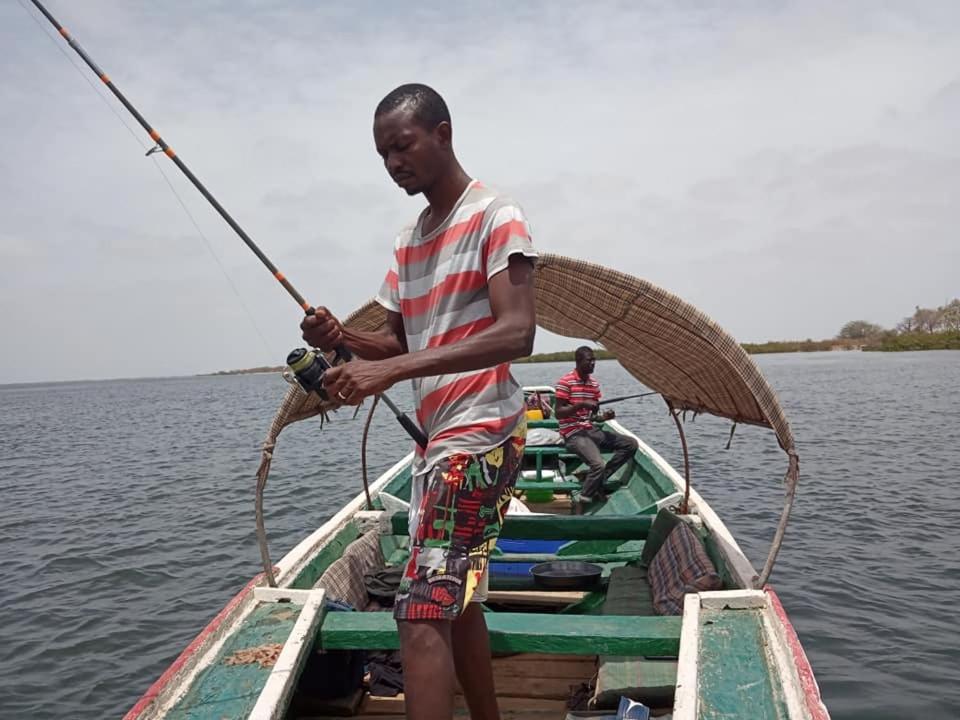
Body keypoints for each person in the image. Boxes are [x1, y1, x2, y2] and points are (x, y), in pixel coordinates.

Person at [300, 83, 537, 720]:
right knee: (456, 603)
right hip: (436, 442)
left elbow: (517, 331)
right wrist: (341, 338)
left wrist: (395, 368)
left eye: (402, 146)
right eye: (382, 155)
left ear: (443, 133)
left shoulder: (495, 215)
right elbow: (397, 339)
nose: (393, 164)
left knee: (420, 607)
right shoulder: (409, 238)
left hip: (482, 434)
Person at [555, 347, 638, 511]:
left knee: (630, 444)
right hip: (572, 433)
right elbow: (558, 413)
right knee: (597, 464)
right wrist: (581, 404)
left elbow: (592, 417)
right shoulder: (566, 382)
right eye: (589, 360)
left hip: (590, 430)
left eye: (594, 360)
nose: (593, 363)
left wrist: (604, 418)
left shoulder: (594, 384)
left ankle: (599, 480)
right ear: (578, 362)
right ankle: (583, 499)